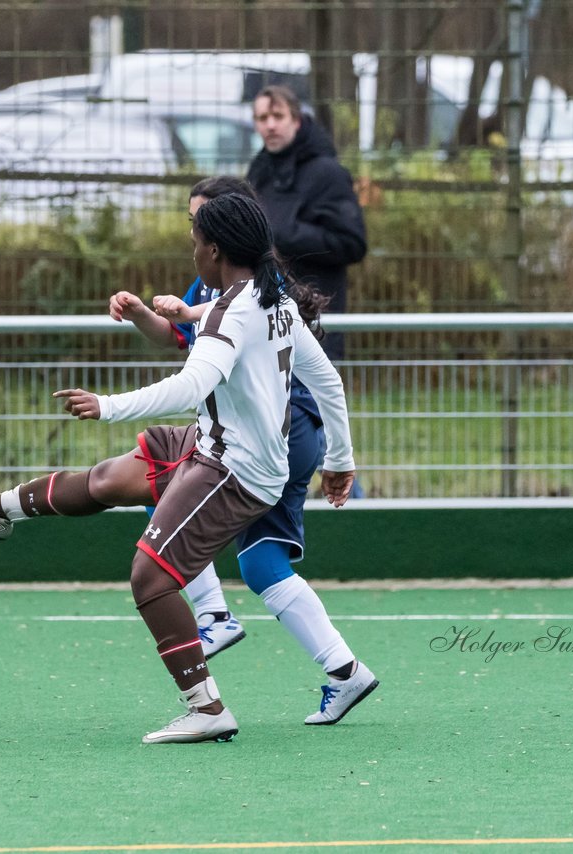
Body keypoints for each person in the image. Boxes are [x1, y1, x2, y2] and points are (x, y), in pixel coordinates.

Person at [0, 192, 358, 744]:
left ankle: (206, 708)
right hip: (217, 443)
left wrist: (107, 405)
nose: (192, 250)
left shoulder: (235, 312)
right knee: (112, 478)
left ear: (215, 249)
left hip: (233, 469)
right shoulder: (270, 299)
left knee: (150, 578)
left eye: (194, 240)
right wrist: (339, 460)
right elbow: (329, 383)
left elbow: (190, 385)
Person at [108, 175, 379, 725]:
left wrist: (107, 404)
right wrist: (160, 315)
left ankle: (216, 623)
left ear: (226, 233)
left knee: (176, 514)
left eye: (197, 222)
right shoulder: (229, 285)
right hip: (274, 432)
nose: (192, 233)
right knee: (256, 559)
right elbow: (190, 334)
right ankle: (346, 672)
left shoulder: (257, 291)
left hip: (274, 431)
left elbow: (215, 361)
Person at [247, 84, 368, 362]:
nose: (271, 125)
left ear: (297, 121)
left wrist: (282, 234)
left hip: (316, 311)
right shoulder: (260, 171)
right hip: (267, 312)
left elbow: (352, 243)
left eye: (278, 116)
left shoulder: (327, 173)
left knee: (312, 402)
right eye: (263, 119)